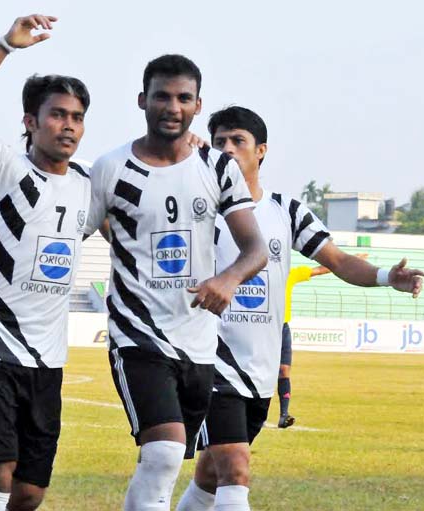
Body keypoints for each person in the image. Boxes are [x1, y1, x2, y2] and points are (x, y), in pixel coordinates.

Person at [176, 106, 424, 511]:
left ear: (261, 151)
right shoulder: (199, 208)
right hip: (211, 359)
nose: (226, 149)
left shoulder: (284, 211)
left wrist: (385, 277)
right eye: (219, 141)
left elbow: (340, 261)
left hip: (260, 366)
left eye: (237, 140)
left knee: (210, 474)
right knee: (236, 470)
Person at [82, 56, 267, 511]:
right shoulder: (111, 168)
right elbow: (70, 234)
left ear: (198, 105)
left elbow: (255, 248)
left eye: (184, 98)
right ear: (142, 100)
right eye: (162, 96)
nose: (172, 106)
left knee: (175, 460)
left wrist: (227, 278)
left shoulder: (218, 168)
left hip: (199, 342)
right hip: (137, 335)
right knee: (163, 453)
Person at [0, 14, 92, 511]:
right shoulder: (6, 166)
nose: (67, 125)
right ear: (30, 121)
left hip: (49, 360)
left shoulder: (89, 189)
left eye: (75, 116)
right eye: (56, 114)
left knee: (30, 492)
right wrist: (6, 45)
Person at [277, 255, 365, 428]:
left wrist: (350, 261)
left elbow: (320, 270)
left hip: (283, 328)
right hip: (264, 328)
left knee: (284, 370)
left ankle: (284, 414)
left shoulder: (291, 274)